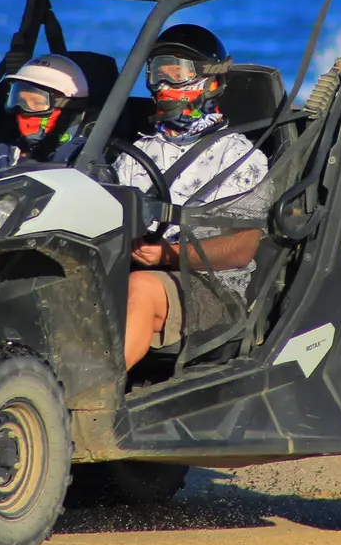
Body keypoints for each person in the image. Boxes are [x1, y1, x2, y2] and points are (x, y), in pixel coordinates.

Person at [114, 24, 270, 371]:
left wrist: (165, 255)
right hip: (135, 270)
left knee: (140, 286)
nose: (165, 87)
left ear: (210, 82)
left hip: (215, 289)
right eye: (158, 75)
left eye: (178, 75)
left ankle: (90, 401)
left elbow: (241, 249)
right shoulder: (134, 153)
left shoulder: (241, 158)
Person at [0, 54, 92, 178]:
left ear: (69, 109)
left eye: (37, 103)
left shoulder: (83, 158)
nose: (23, 111)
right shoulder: (0, 158)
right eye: (20, 102)